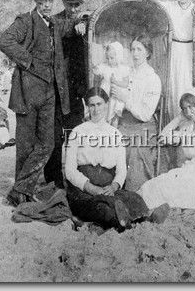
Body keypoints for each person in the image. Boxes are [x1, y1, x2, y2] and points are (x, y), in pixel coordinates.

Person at [0, 0, 86, 206]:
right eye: (42, 0)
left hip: (48, 94)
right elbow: (5, 42)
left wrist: (83, 21)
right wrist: (28, 62)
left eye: (49, 0)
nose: (46, 4)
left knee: (48, 143)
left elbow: (73, 21)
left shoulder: (55, 24)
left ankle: (20, 188)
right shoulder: (25, 21)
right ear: (35, 1)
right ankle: (21, 192)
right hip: (27, 93)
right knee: (25, 145)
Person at [64, 87, 169, 233]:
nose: (96, 109)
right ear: (87, 107)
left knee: (135, 199)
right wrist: (90, 188)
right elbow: (69, 171)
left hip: (107, 188)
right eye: (92, 105)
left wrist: (114, 186)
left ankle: (146, 219)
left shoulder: (115, 134)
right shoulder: (77, 132)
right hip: (83, 191)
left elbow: (121, 170)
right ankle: (129, 224)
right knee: (104, 208)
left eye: (99, 104)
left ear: (106, 105)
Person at [138, 88, 195, 212]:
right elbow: (163, 137)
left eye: (191, 107)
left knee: (170, 188)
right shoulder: (186, 125)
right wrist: (178, 118)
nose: (188, 112)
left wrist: (188, 168)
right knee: (157, 184)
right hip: (188, 169)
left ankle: (149, 208)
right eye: (184, 108)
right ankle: (138, 204)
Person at [44, 0, 89, 191]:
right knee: (55, 138)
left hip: (77, 91)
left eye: (77, 5)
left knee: (76, 136)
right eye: (70, 5)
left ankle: (76, 181)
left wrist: (85, 22)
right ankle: (54, 182)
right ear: (63, 3)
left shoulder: (87, 20)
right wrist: (75, 25)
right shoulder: (56, 21)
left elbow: (92, 18)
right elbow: (62, 28)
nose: (73, 9)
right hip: (58, 89)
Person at [110, 35, 161, 191]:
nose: (135, 53)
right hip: (125, 123)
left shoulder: (152, 78)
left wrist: (126, 99)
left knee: (134, 148)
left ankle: (134, 192)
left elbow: (145, 114)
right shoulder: (126, 73)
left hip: (144, 126)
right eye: (132, 49)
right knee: (107, 142)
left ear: (148, 52)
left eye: (140, 49)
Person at [160, 0, 195, 119]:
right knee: (173, 87)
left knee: (186, 85)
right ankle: (174, 123)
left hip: (189, 52)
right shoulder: (170, 7)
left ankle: (188, 123)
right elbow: (150, 2)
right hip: (174, 51)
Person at [93, 42, 130, 127]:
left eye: (112, 58)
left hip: (116, 95)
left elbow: (125, 84)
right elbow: (96, 71)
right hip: (106, 93)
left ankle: (114, 130)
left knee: (114, 114)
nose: (109, 61)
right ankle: (105, 128)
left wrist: (115, 82)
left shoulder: (123, 69)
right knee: (104, 112)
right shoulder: (105, 66)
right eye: (107, 58)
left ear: (119, 56)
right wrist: (95, 68)